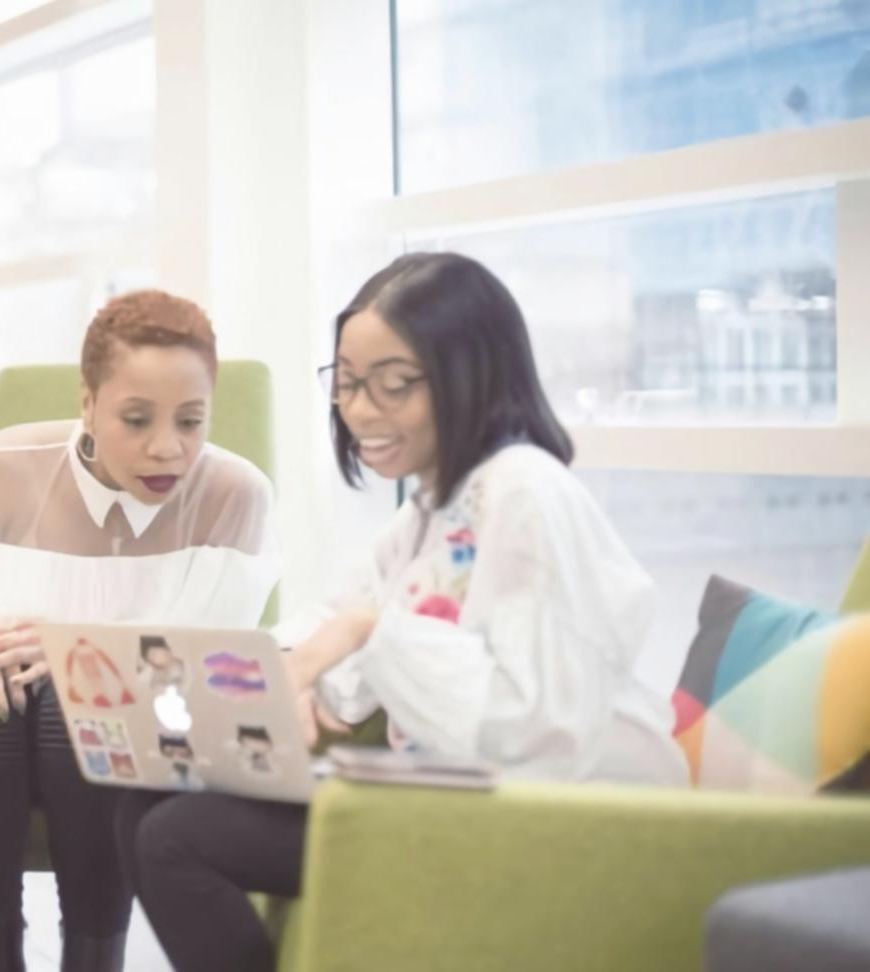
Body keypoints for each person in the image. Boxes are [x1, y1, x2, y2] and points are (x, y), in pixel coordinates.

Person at [115, 253, 689, 972]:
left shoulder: (526, 495)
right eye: (348, 384)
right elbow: (336, 628)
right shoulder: (430, 512)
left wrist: (363, 635)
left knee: (177, 837)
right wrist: (246, 679)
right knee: (143, 802)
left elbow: (538, 727)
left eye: (391, 386)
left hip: (558, 817)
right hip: (457, 795)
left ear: (471, 374)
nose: (359, 410)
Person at [0, 289, 280, 971]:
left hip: (137, 722)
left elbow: (209, 662)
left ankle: (93, 961)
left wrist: (70, 648)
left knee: (82, 697)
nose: (167, 448)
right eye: (136, 419)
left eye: (191, 420)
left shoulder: (237, 495)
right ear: (87, 402)